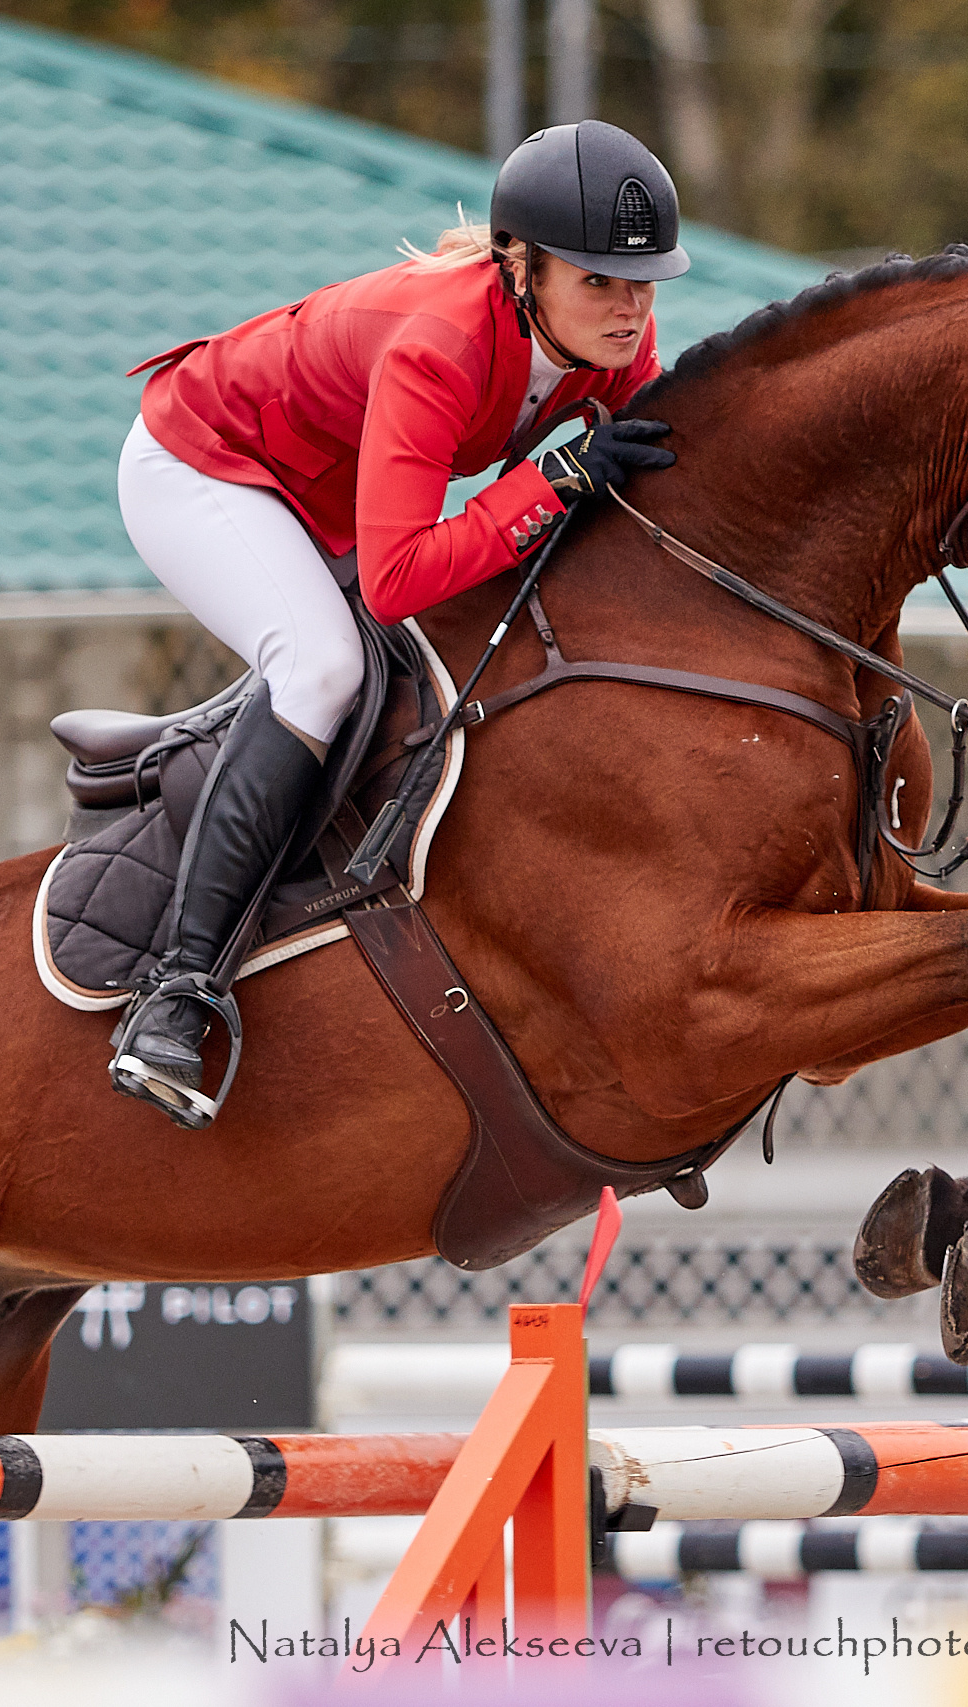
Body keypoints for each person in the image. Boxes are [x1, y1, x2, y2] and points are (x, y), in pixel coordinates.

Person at [108, 120, 692, 1128]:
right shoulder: (443, 344)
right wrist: (548, 481)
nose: (629, 307)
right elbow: (397, 579)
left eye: (641, 281)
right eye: (597, 281)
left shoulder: (609, 345)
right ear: (521, 266)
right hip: (203, 467)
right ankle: (179, 988)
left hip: (327, 496)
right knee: (323, 667)